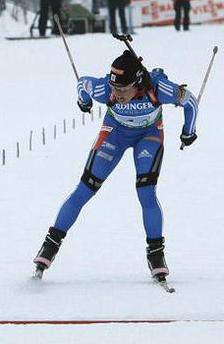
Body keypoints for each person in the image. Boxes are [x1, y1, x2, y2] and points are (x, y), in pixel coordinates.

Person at [33, 47, 199, 283]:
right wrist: (83, 102)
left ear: (137, 83)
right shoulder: (104, 89)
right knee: (85, 189)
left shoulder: (159, 88)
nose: (117, 94)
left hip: (149, 136)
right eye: (114, 88)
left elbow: (190, 101)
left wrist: (188, 132)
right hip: (114, 134)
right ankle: (50, 245)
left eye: (123, 89)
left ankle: (156, 253)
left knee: (146, 193)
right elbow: (82, 84)